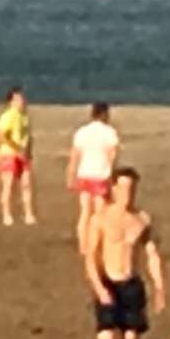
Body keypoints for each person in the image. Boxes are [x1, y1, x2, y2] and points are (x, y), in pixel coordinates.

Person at [76, 167, 165, 339]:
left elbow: (152, 255)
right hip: (108, 284)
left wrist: (159, 287)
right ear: (114, 189)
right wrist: (99, 288)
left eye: (132, 189)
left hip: (131, 285)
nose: (128, 194)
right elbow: (91, 258)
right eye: (124, 188)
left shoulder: (142, 220)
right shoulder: (100, 219)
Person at [66, 103, 121, 250]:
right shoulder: (109, 132)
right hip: (101, 176)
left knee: (85, 212)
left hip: (84, 174)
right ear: (105, 114)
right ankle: (97, 244)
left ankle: (83, 244)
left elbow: (74, 156)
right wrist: (113, 176)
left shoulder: (82, 132)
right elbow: (112, 156)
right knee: (100, 213)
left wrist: (70, 175)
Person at [0, 86, 36, 227]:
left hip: (24, 155)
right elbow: (3, 135)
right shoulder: (8, 116)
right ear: (11, 102)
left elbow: (28, 136)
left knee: (26, 184)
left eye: (21, 98)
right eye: (17, 99)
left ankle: (28, 213)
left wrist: (28, 152)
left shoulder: (25, 117)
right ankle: (7, 214)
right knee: (9, 185)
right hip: (9, 154)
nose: (21, 101)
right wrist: (17, 149)